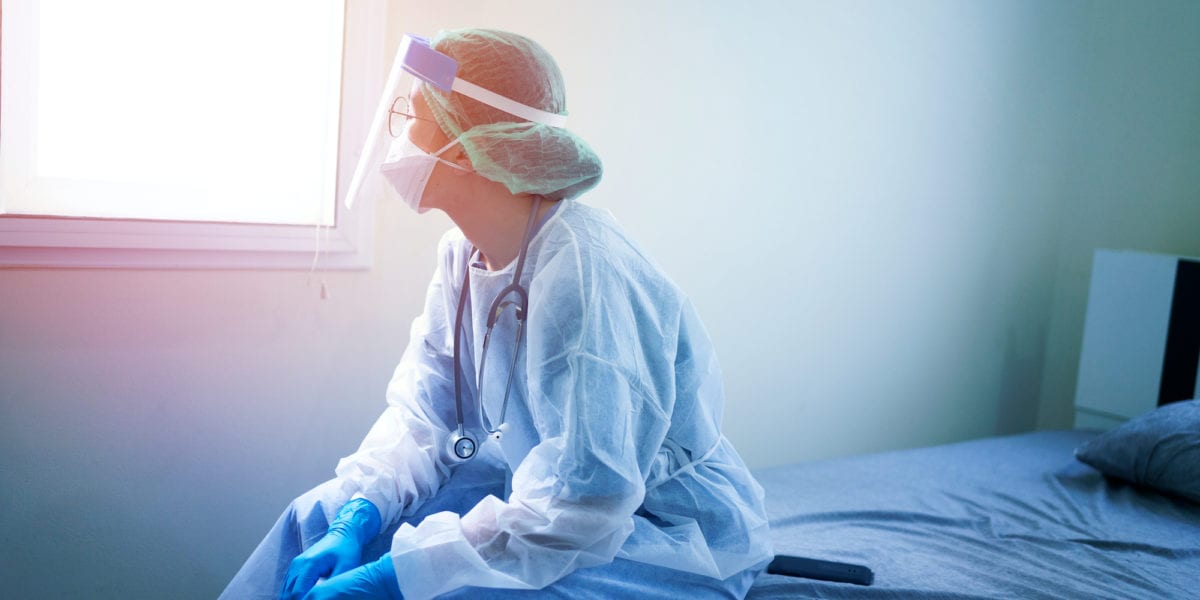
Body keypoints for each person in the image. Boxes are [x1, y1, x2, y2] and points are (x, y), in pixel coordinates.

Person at [221, 28, 772, 600]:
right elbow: (426, 417)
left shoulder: (582, 271)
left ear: (464, 146)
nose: (400, 138)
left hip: (651, 528)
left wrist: (391, 577)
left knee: (449, 589)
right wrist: (356, 516)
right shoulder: (462, 255)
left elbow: (583, 503)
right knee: (314, 516)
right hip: (542, 491)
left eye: (412, 117)